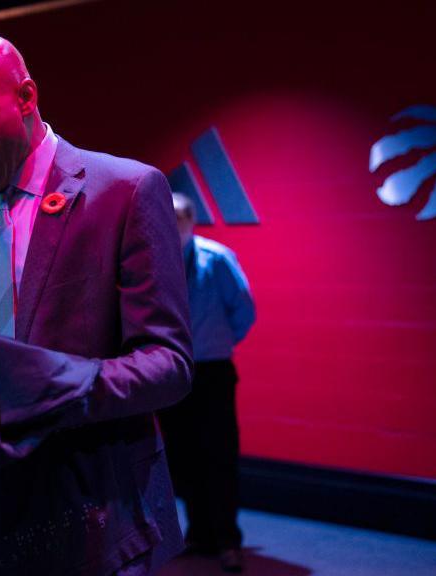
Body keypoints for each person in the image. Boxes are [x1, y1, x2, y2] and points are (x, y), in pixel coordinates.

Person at [0, 36, 193, 574]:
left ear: (26, 97)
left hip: (90, 510)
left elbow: (169, 363)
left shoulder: (125, 191)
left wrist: (52, 388)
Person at [158, 193, 255, 573]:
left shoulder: (216, 259)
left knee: (219, 455)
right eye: (168, 217)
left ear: (192, 220)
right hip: (173, 373)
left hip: (213, 370)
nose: (175, 223)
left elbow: (244, 310)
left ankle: (228, 540)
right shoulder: (154, 261)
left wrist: (217, 341)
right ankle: (199, 533)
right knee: (182, 456)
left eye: (181, 217)